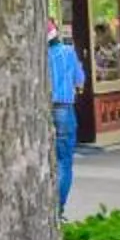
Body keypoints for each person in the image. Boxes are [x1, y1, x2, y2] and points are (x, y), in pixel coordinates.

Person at [47, 18, 87, 215]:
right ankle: (58, 209)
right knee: (64, 161)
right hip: (63, 106)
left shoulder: (36, 56)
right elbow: (80, 80)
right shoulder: (67, 52)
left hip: (42, 109)